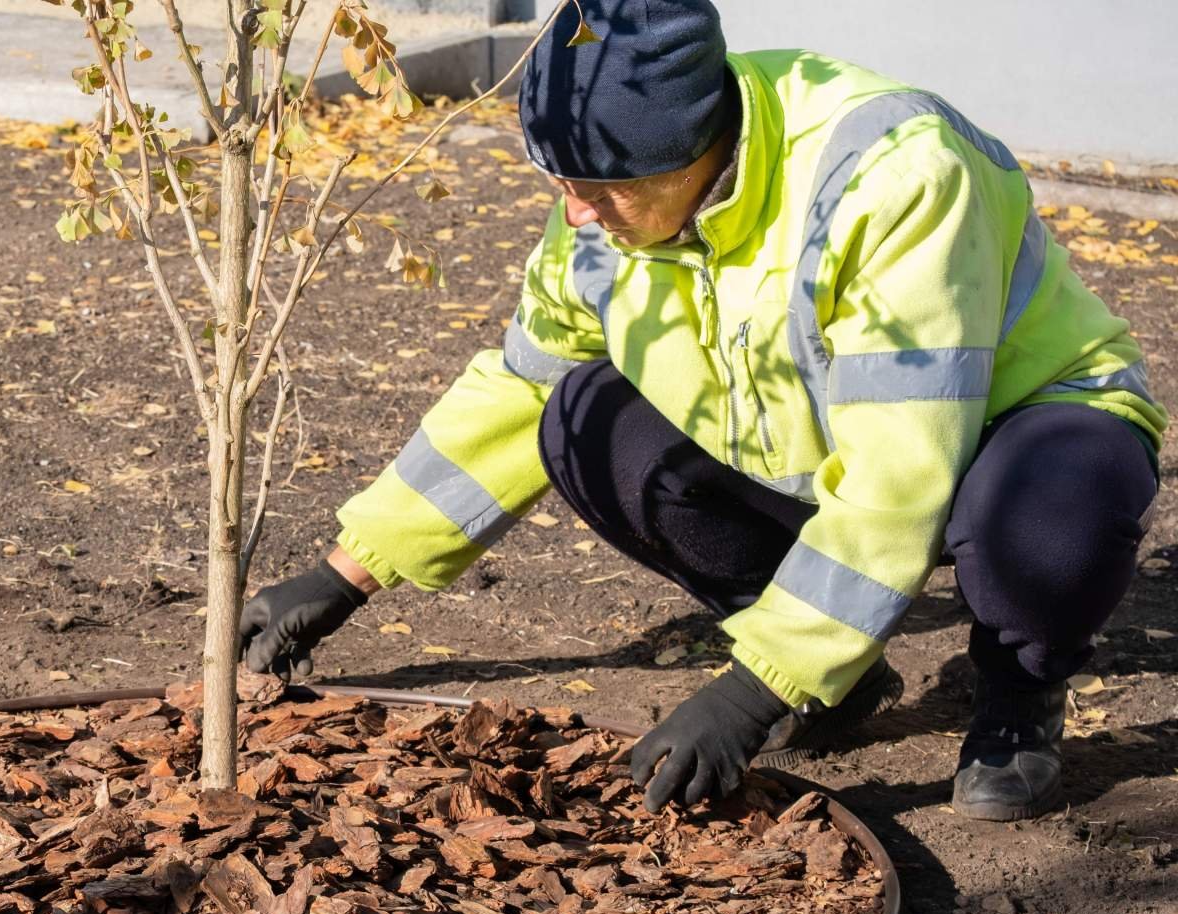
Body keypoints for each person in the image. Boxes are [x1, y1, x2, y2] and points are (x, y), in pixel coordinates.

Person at [238, 0, 1164, 822]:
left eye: (606, 191)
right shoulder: (603, 192)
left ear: (700, 143)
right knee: (581, 418)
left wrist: (751, 691)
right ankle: (837, 677)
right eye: (560, 183)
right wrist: (341, 577)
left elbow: (901, 467)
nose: (580, 215)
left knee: (1045, 528)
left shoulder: (892, 179)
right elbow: (522, 389)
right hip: (820, 445)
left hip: (1016, 424)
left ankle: (1019, 692)